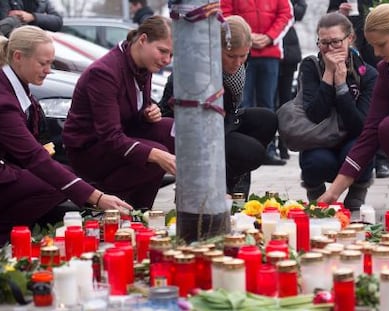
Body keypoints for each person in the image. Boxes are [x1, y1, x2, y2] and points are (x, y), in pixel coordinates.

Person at [0, 25, 132, 245]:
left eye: (51, 63)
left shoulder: (15, 83)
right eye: (43, 63)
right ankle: (6, 236)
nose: (49, 70)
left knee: (64, 176)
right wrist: (97, 198)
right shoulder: (4, 100)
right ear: (18, 57)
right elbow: (33, 157)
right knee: (52, 184)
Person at [62, 16, 175, 211]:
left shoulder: (142, 64)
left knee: (171, 130)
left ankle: (142, 211)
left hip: (118, 138)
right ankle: (107, 202)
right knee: (157, 155)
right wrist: (156, 155)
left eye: (171, 54)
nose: (167, 60)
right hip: (90, 150)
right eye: (163, 51)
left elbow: (132, 107)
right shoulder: (104, 72)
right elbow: (109, 135)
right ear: (142, 40)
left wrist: (148, 111)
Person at [158, 15, 278, 197]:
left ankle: (233, 182)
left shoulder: (239, 58)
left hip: (224, 119)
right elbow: (189, 119)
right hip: (190, 129)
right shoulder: (196, 67)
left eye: (243, 55)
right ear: (215, 47)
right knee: (252, 152)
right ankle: (209, 187)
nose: (238, 63)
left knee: (266, 119)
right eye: (231, 56)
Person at [319, 4, 389, 206]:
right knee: (388, 128)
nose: (377, 53)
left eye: (381, 44)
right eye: (372, 46)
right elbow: (370, 131)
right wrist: (334, 192)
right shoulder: (388, 70)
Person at [299, 12, 377, 210]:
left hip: (352, 139)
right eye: (324, 43)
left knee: (358, 151)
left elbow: (360, 126)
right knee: (315, 161)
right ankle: (316, 192)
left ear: (350, 38)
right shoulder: (310, 67)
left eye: (336, 42)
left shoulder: (368, 74)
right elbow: (314, 115)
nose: (330, 48)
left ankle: (358, 190)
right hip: (321, 137)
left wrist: (342, 86)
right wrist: (328, 75)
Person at [220, 0, 293, 166]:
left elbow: (286, 14)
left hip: (270, 51)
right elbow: (224, 14)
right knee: (241, 102)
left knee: (268, 103)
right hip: (240, 46)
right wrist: (247, 36)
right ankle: (239, 147)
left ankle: (268, 150)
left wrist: (270, 37)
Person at [327, 0, 389, 179]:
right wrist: (339, 13)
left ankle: (382, 160)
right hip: (349, 52)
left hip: (377, 51)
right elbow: (329, 18)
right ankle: (359, 158)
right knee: (366, 111)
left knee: (384, 106)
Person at [277, 0, 308, 160]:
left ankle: (283, 145)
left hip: (288, 49)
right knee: (265, 100)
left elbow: (300, 10)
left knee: (285, 101)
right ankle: (268, 145)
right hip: (267, 50)